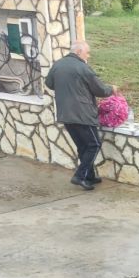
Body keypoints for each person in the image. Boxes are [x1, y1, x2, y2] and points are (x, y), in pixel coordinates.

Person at [44, 41, 118, 190]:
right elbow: (100, 90)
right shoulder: (83, 68)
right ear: (78, 52)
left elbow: (49, 83)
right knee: (94, 145)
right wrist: (112, 89)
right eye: (87, 52)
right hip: (82, 114)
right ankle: (79, 176)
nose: (88, 56)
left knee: (83, 146)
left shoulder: (58, 65)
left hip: (65, 114)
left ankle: (89, 176)